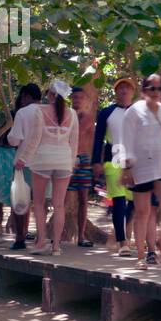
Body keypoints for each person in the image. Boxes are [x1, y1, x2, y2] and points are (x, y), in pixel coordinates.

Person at [122, 74, 161, 270]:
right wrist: (126, 168)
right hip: (140, 168)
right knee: (142, 213)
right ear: (144, 91)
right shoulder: (133, 112)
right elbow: (125, 141)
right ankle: (141, 256)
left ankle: (160, 243)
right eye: (152, 88)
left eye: (159, 89)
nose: (156, 92)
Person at [15, 80, 78, 256]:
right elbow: (74, 144)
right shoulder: (72, 114)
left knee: (40, 203)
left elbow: (34, 140)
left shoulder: (40, 111)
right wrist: (71, 165)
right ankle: (56, 246)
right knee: (59, 206)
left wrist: (23, 158)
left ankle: (41, 241)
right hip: (64, 161)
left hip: (42, 160)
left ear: (50, 94)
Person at [92, 77, 137, 257]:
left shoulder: (138, 112)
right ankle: (122, 242)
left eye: (127, 88)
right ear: (115, 92)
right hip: (114, 160)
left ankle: (124, 232)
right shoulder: (107, 112)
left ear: (133, 92)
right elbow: (98, 137)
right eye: (120, 88)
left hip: (135, 162)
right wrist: (96, 161)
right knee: (118, 200)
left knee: (134, 202)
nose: (124, 91)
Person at [3, 84, 43, 249]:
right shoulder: (47, 112)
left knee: (20, 201)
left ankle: (20, 237)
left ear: (26, 96)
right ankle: (41, 238)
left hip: (23, 162)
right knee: (40, 202)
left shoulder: (22, 112)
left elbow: (14, 139)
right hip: (44, 162)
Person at [68, 85, 97, 247]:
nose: (77, 100)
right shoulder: (66, 115)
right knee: (62, 199)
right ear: (71, 99)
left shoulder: (88, 118)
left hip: (84, 160)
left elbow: (90, 140)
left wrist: (94, 163)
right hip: (67, 159)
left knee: (83, 199)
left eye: (80, 97)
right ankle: (57, 235)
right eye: (75, 97)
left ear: (86, 100)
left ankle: (80, 236)